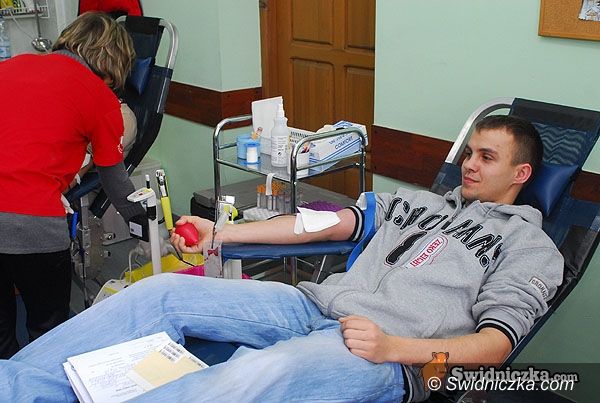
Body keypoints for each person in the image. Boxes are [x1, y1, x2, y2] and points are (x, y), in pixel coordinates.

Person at [1, 115, 563, 402]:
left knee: (257, 372)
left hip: (386, 353)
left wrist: (395, 348)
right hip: (311, 305)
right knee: (162, 292)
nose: (469, 165)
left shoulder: (530, 247)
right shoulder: (419, 203)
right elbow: (325, 222)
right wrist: (223, 234)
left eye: (486, 158)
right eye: (469, 153)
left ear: (521, 173)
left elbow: (496, 346)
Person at [0, 12, 144, 359]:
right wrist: (147, 228)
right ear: (111, 63)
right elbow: (116, 183)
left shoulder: (10, 66)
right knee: (48, 336)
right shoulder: (100, 98)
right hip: (34, 224)